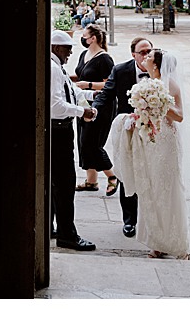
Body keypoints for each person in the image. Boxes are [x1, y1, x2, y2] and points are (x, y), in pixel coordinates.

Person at [105, 48, 190, 260]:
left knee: (165, 190)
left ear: (156, 64)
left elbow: (179, 116)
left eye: (149, 56)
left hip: (165, 142)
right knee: (150, 190)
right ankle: (156, 240)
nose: (145, 57)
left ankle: (171, 241)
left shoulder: (168, 84)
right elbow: (144, 113)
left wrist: (160, 104)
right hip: (150, 142)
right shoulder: (147, 84)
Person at [94, 36, 152, 237]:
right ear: (133, 54)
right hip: (128, 130)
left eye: (149, 51)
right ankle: (130, 220)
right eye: (142, 52)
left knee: (152, 175)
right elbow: (107, 94)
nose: (147, 55)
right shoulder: (120, 70)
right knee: (128, 173)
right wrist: (93, 110)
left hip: (154, 131)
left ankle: (152, 219)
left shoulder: (160, 68)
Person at [49, 29, 97, 252]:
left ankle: (51, 227)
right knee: (65, 184)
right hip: (58, 131)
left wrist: (89, 100)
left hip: (62, 129)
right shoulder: (52, 68)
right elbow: (55, 105)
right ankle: (67, 235)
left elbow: (72, 91)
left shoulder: (58, 67)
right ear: (56, 48)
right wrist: (82, 112)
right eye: (67, 49)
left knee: (56, 183)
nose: (69, 54)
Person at [71, 24, 116, 194]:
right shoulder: (84, 54)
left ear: (93, 38)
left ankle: (111, 176)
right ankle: (91, 181)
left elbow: (109, 83)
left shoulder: (104, 59)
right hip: (83, 102)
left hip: (101, 105)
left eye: (84, 35)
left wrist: (88, 85)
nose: (82, 39)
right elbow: (81, 75)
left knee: (92, 143)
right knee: (83, 142)